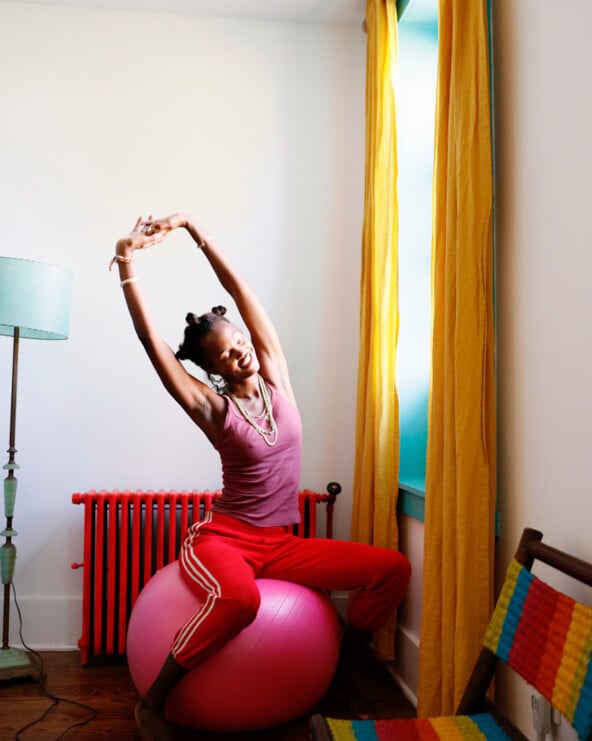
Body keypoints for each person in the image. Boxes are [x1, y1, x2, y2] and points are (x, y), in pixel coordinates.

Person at [112, 213, 411, 741]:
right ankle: (153, 704)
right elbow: (151, 343)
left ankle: (345, 666)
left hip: (281, 543)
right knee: (242, 601)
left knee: (391, 569)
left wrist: (191, 228)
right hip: (224, 539)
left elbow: (239, 289)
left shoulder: (275, 374)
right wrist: (126, 261)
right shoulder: (211, 408)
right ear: (214, 370)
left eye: (238, 341)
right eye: (225, 354)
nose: (238, 351)